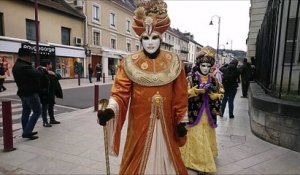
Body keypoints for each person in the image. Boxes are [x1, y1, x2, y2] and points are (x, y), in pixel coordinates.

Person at [97, 1, 188, 174]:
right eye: (146, 38)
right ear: (140, 39)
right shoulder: (129, 62)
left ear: (160, 38)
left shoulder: (175, 62)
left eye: (154, 38)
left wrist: (181, 121)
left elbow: (180, 96)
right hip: (139, 126)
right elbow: (120, 94)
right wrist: (111, 110)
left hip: (167, 126)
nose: (150, 43)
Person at [180, 46, 224, 174]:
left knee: (207, 133)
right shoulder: (190, 79)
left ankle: (207, 156)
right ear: (199, 65)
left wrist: (216, 95)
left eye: (208, 66)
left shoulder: (214, 79)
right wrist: (194, 91)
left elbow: (221, 90)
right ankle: (198, 162)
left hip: (209, 112)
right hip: (195, 111)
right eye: (203, 65)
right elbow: (183, 93)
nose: (205, 68)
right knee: (197, 135)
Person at [12, 48, 42, 140]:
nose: (30, 58)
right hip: (30, 92)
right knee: (37, 111)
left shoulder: (16, 65)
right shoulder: (24, 66)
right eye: (29, 56)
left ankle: (26, 130)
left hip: (22, 92)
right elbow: (38, 74)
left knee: (26, 112)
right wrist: (41, 70)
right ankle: (27, 131)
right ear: (26, 56)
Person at [38, 59, 62, 127]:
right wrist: (47, 72)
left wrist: (54, 74)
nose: (51, 65)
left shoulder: (51, 72)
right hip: (45, 92)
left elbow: (59, 77)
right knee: (45, 107)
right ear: (47, 65)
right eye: (50, 64)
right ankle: (45, 121)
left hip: (51, 92)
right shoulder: (41, 72)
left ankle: (52, 119)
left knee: (51, 106)